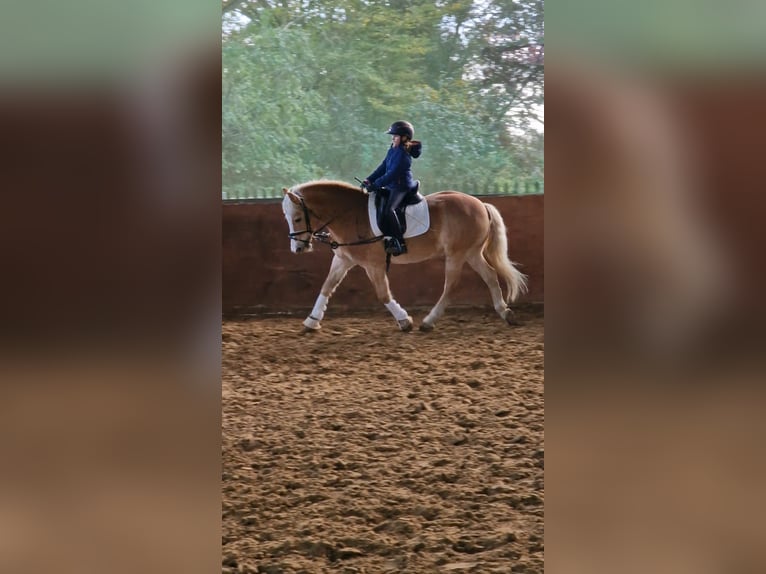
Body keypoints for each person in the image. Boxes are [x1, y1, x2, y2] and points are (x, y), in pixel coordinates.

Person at [363, 120, 422, 256]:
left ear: (404, 138)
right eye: (392, 136)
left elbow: (392, 174)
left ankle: (399, 242)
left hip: (401, 187)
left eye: (395, 136)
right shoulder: (393, 149)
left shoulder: (403, 154)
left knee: (390, 209)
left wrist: (375, 185)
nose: (392, 138)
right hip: (392, 185)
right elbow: (383, 167)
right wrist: (369, 179)